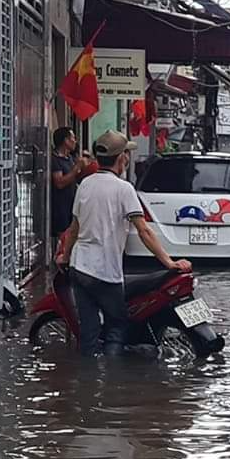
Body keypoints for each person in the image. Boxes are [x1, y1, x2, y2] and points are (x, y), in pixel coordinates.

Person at [57, 130, 191, 356]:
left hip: (80, 269)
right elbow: (144, 231)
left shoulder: (86, 185)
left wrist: (66, 258)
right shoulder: (124, 189)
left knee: (88, 334)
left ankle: (86, 382)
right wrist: (169, 262)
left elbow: (74, 229)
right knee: (117, 327)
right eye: (126, 154)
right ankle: (112, 383)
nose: (127, 159)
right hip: (105, 272)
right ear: (121, 158)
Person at [49, 127, 91, 241]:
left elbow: (75, 178)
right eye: (73, 138)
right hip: (59, 207)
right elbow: (60, 183)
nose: (75, 141)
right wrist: (76, 168)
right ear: (66, 141)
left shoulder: (70, 158)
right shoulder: (55, 160)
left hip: (70, 204)